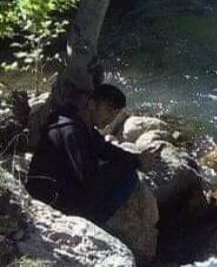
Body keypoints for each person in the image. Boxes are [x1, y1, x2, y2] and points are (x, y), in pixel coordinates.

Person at [26, 84, 148, 225]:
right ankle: (93, 223)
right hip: (51, 201)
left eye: (115, 114)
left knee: (123, 165)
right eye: (108, 110)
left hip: (57, 191)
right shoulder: (71, 132)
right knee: (127, 176)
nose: (110, 118)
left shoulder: (78, 122)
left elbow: (105, 149)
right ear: (91, 104)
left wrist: (138, 159)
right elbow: (87, 177)